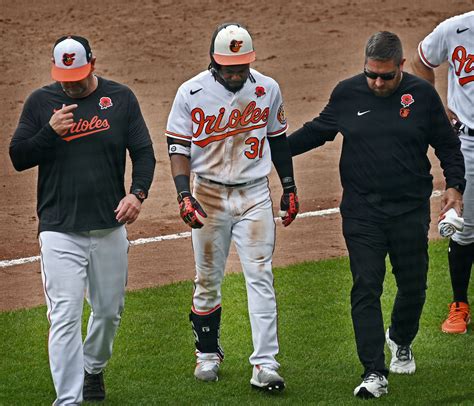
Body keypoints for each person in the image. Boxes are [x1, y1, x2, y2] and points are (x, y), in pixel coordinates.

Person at [288, 31, 465, 399]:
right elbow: (318, 131)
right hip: (362, 211)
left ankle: (400, 339)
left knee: (414, 287)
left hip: (409, 209)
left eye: (386, 75)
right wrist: (272, 150)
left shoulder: (422, 96)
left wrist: (455, 187)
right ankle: (373, 371)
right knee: (366, 286)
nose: (378, 82)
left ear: (402, 66)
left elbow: (448, 145)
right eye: (372, 75)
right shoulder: (348, 92)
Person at [9, 35, 155, 405]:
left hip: (109, 227)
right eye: (63, 77)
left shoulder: (119, 99)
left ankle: (93, 368)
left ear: (92, 63)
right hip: (59, 230)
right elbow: (19, 157)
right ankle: (68, 400)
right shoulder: (41, 103)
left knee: (108, 312)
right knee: (64, 316)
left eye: (77, 76)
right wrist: (49, 132)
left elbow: (143, 152)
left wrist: (137, 194)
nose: (70, 84)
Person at [165, 22, 298, 392]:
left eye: (242, 67)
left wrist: (289, 187)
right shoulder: (190, 92)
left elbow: (279, 140)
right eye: (229, 68)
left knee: (261, 276)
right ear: (214, 63)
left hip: (255, 194)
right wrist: (183, 194)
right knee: (207, 278)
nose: (237, 74)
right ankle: (207, 352)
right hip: (207, 194)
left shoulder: (266, 88)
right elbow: (178, 147)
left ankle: (266, 364)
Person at [412, 11, 473, 335]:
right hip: (467, 143)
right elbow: (422, 60)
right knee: (465, 227)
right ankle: (459, 305)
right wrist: (436, 108)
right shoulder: (454, 29)